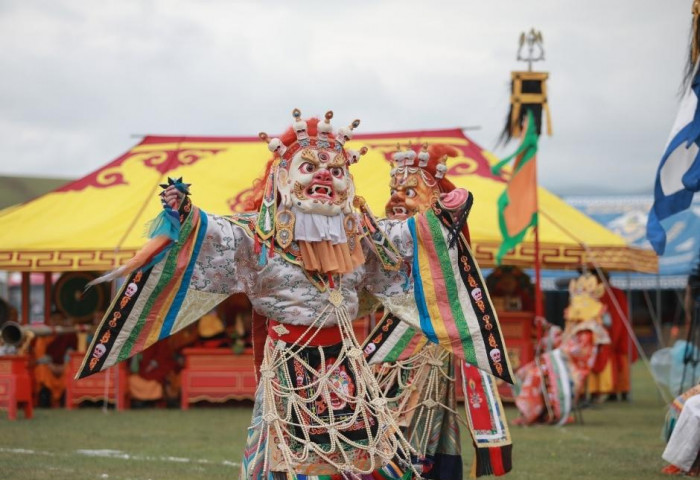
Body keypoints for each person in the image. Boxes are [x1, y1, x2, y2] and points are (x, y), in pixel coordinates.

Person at [78, 110, 513, 479]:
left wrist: (446, 212)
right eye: (310, 167)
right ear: (282, 178)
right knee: (288, 456)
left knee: (354, 457)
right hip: (288, 363)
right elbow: (214, 235)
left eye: (336, 170)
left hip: (345, 364)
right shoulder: (255, 235)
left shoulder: (358, 234)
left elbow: (403, 245)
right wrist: (186, 215)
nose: (325, 175)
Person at [368, 143, 511, 478]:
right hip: (389, 346)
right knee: (384, 419)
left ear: (432, 200)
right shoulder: (389, 237)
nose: (396, 198)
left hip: (425, 345)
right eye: (393, 191)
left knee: (415, 420)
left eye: (408, 191)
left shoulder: (437, 236)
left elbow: (458, 198)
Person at [513, 272, 610, 425]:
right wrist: (548, 328)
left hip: (573, 369)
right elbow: (562, 341)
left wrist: (557, 353)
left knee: (535, 375)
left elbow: (581, 353)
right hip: (561, 363)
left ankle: (535, 415)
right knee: (524, 372)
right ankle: (532, 413)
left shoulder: (590, 329)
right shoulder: (576, 327)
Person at [34, 310, 78, 407]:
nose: (57, 322)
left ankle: (64, 401)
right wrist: (51, 365)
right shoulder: (44, 334)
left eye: (60, 320)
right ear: (50, 321)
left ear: (63, 321)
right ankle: (45, 401)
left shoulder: (68, 334)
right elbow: (39, 354)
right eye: (54, 320)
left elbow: (71, 352)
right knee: (41, 369)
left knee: (69, 370)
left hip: (64, 365)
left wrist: (64, 365)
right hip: (48, 366)